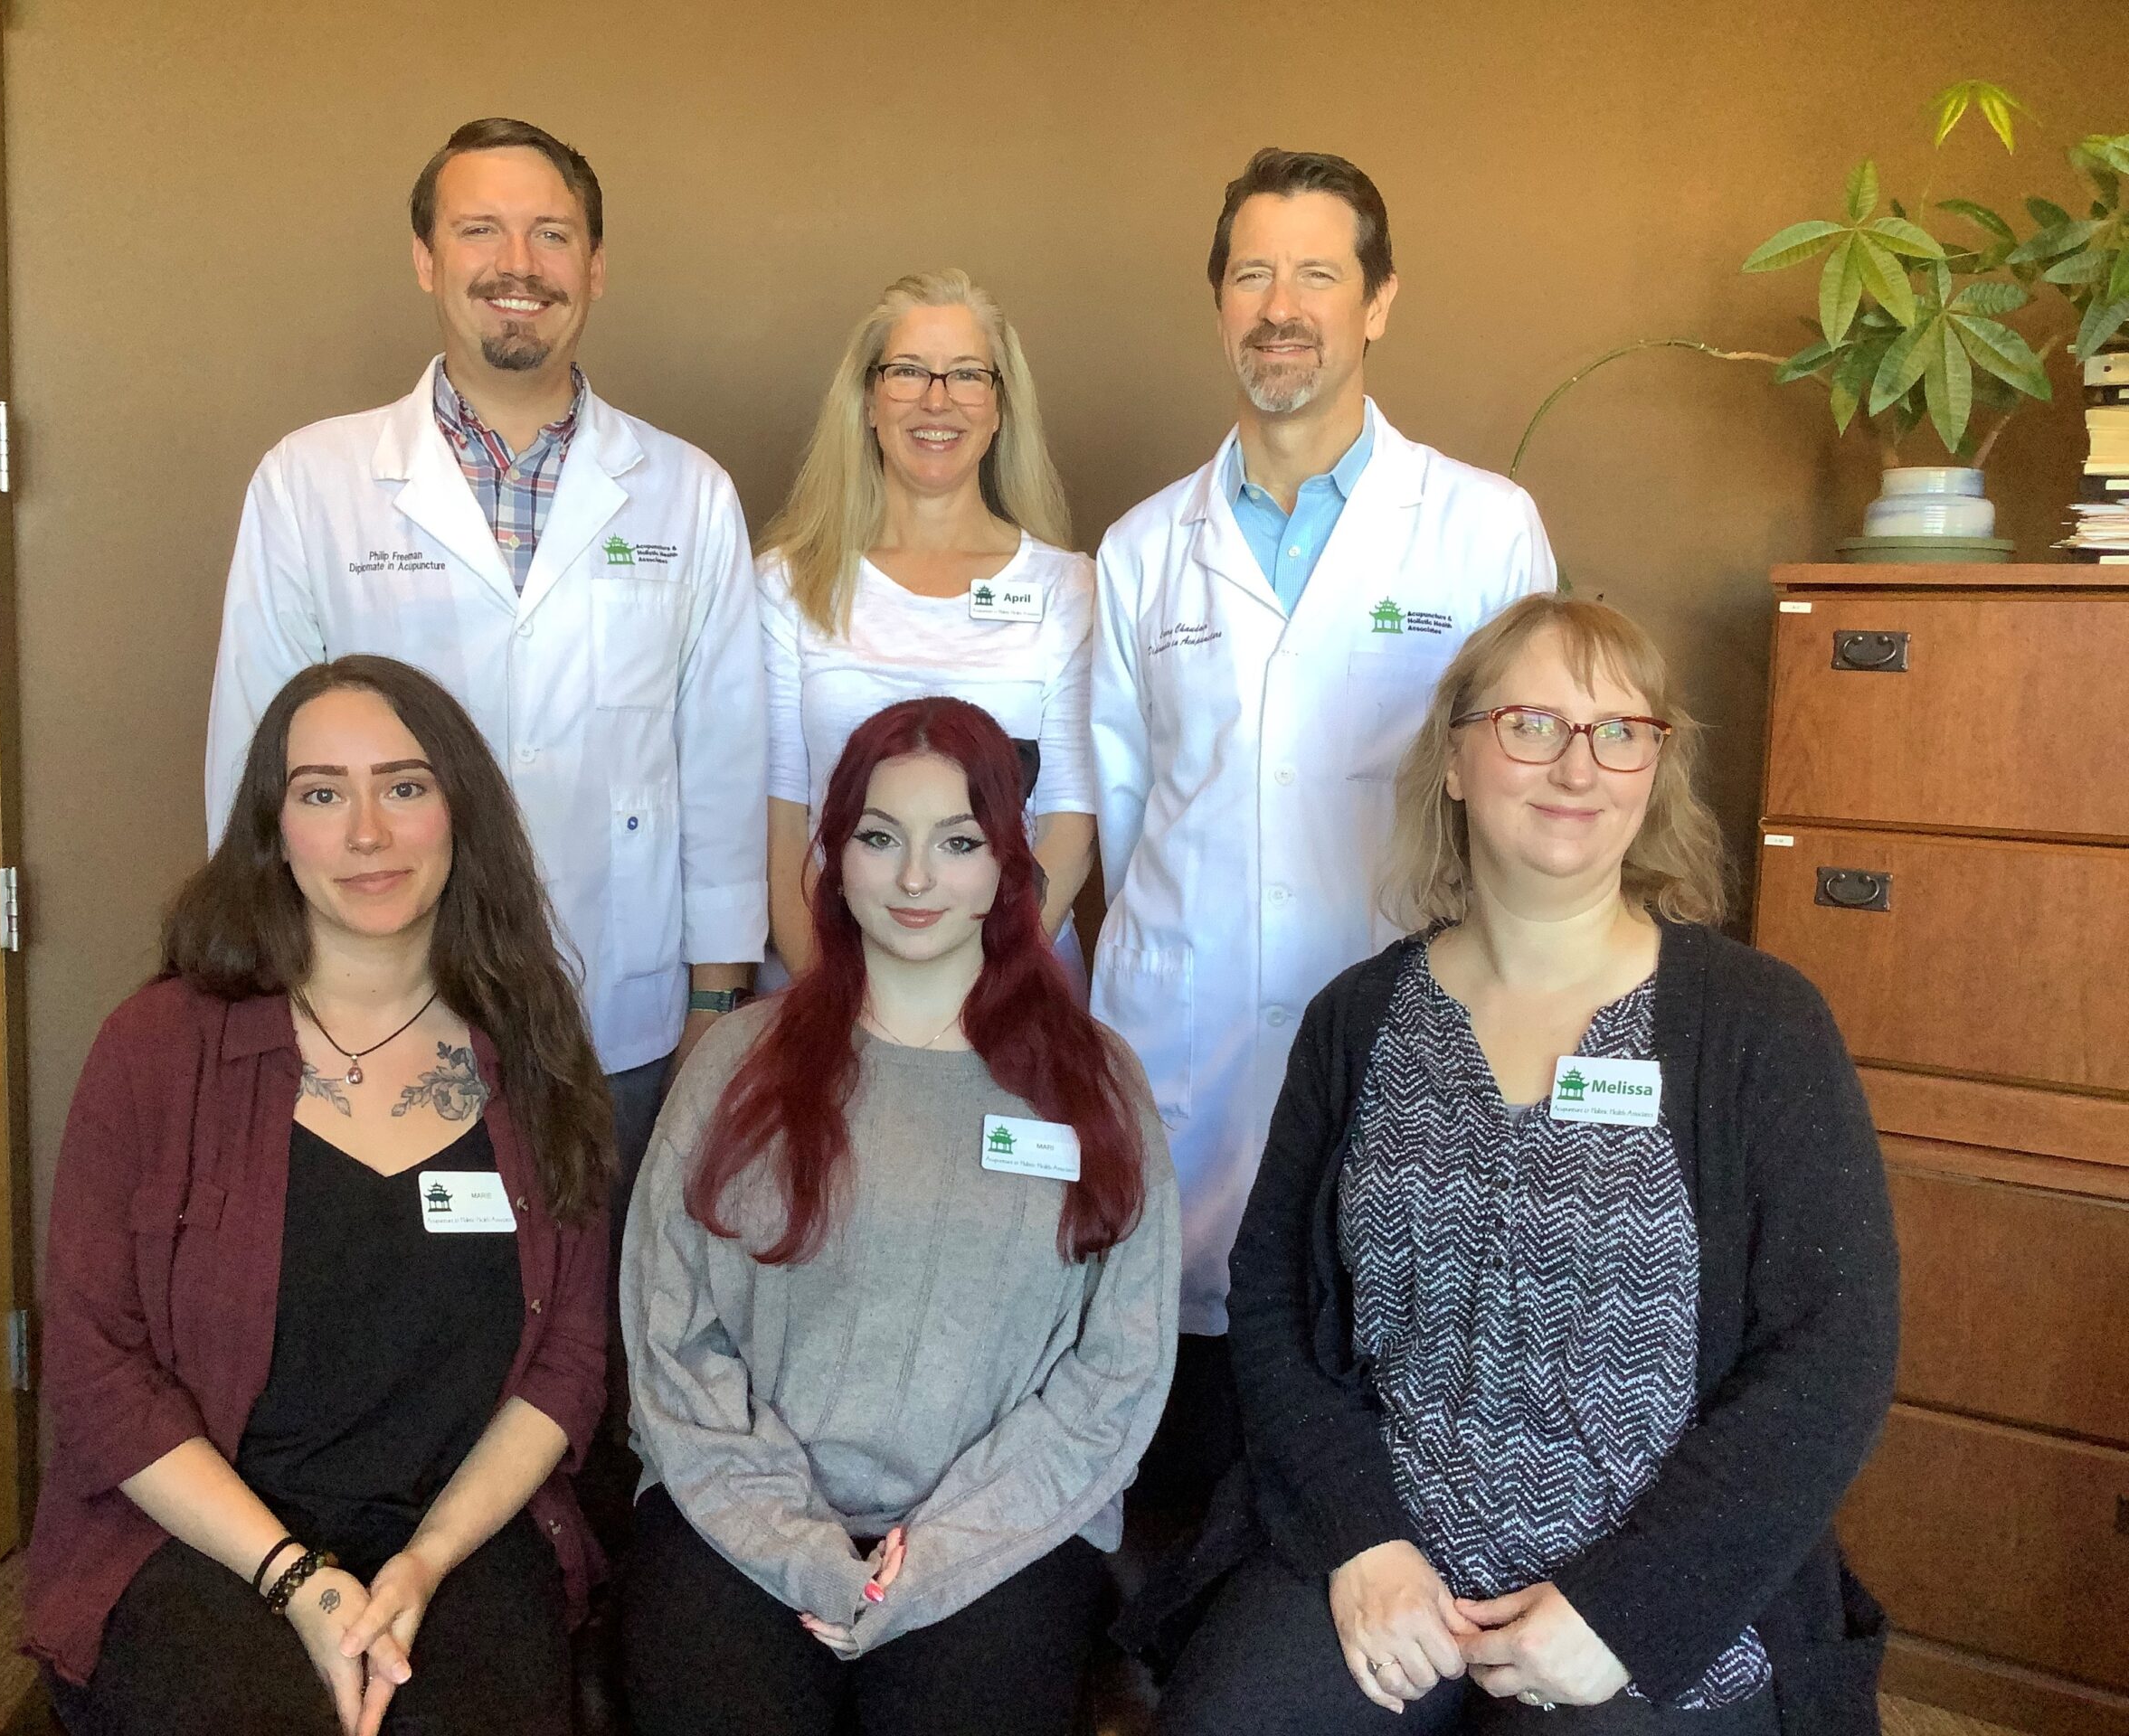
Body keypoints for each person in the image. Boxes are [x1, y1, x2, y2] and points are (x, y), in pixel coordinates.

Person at [1138, 596, 1899, 1736]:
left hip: (1653, 1582)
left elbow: (1831, 1353)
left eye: (1619, 732)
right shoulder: (1359, 1020)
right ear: (1453, 757)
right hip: (1389, 1548)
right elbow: (1272, 1305)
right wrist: (1363, 1539)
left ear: (1654, 768)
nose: (1578, 767)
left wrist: (1628, 1611)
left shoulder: (1756, 1025)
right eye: (1531, 724)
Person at [25, 656, 614, 1736]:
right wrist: (298, 1579)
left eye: (403, 785)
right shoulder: (159, 1050)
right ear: (272, 827)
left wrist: (426, 1565)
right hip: (206, 1538)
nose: (366, 834)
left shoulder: (534, 1051)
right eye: (321, 793)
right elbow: (97, 1365)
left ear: (459, 812)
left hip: (456, 1536)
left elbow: (569, 1365)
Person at [1089, 146, 1557, 1505]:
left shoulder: (1478, 529)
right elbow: (1124, 817)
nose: (1279, 307)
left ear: (1380, 301)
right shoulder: (1142, 549)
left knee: (1373, 1368)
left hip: (1402, 1019)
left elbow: (1527, 802)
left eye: (1317, 273)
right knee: (1188, 1408)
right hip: (1187, 1035)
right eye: (1251, 273)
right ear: (1218, 300)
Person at [203, 117, 765, 1212]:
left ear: (594, 268)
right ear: (426, 260)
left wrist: (715, 1001)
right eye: (480, 231)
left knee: (601, 1333)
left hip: (623, 1010)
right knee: (419, 1331)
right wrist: (270, 985)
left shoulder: (686, 491)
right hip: (369, 1005)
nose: (519, 265)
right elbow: (252, 759)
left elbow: (725, 753)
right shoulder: (311, 483)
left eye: (551, 235)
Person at [619, 697, 1178, 1736]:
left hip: (1002, 1541)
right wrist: (792, 1541)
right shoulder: (735, 1066)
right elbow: (670, 1337)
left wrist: (946, 1553)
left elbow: (1118, 1369)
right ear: (834, 858)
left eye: (958, 842)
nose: (916, 879)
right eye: (881, 839)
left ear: (1010, 867)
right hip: (735, 1521)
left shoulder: (1096, 1085)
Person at [759, 269, 1095, 990]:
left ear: (1001, 406)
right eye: (908, 371)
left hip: (1013, 988)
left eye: (967, 375)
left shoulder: (1068, 588)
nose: (936, 400)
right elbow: (780, 827)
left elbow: (1067, 826)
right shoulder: (788, 583)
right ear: (869, 401)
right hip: (825, 981)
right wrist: (844, 1001)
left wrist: (967, 1000)